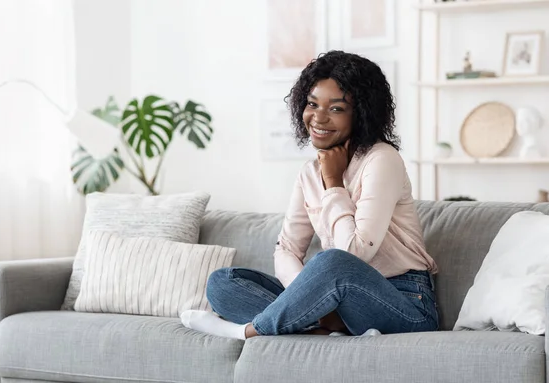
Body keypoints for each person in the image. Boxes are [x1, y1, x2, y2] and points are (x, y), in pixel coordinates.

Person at [180, 50, 439, 340]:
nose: (318, 118)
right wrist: (310, 296)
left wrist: (333, 182)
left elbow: (355, 252)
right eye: (312, 104)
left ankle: (249, 331)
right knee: (223, 282)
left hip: (404, 303)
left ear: (362, 113)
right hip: (336, 301)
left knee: (331, 262)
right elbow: (287, 249)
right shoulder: (309, 172)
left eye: (336, 109)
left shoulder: (382, 159)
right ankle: (324, 324)